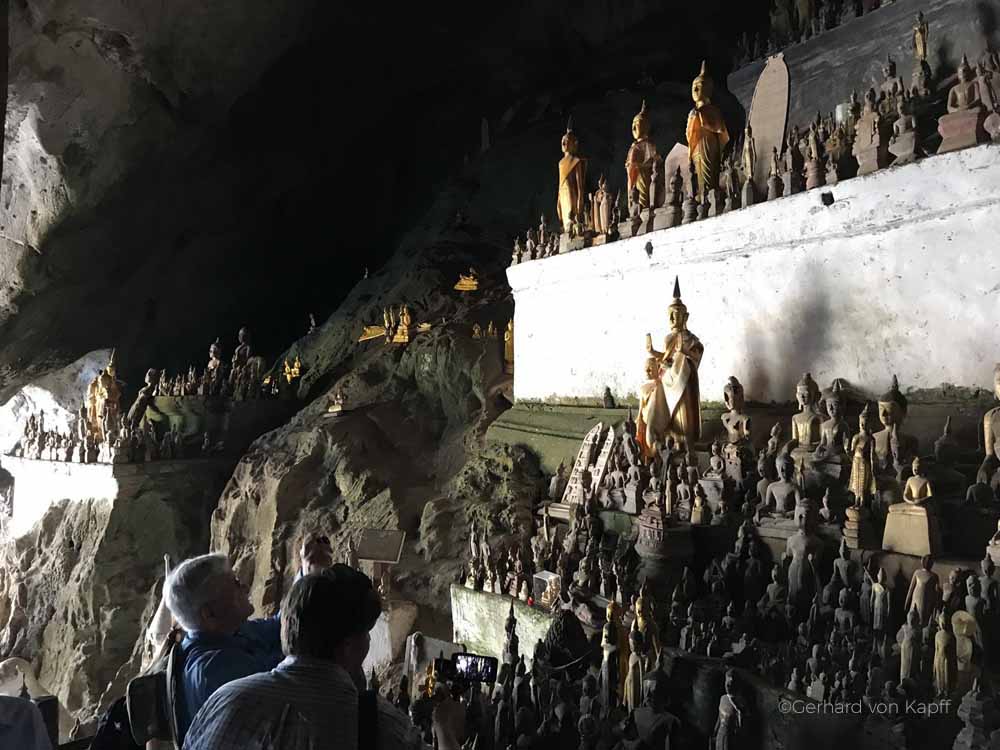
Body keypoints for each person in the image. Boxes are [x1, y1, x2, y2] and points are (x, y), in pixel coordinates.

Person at [184, 566, 425, 750]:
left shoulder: (224, 700)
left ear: (286, 627)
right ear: (350, 647)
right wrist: (446, 729)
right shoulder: (380, 724)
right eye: (366, 634)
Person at [164, 554, 285, 743]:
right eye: (235, 585)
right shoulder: (213, 671)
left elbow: (280, 626)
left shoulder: (225, 632)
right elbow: (291, 675)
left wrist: (308, 572)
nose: (244, 587)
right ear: (210, 614)